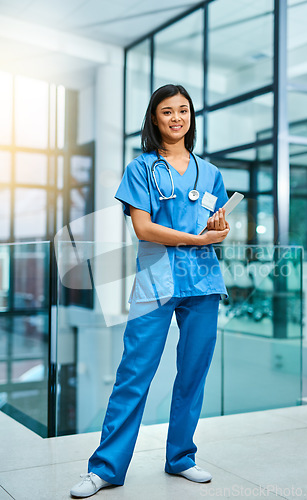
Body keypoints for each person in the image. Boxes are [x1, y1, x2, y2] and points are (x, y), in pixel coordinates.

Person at [70, 84, 230, 498]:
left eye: (183, 110)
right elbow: (143, 228)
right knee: (133, 375)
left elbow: (213, 226)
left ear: (191, 117)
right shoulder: (140, 168)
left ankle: (181, 458)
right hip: (155, 281)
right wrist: (196, 240)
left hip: (203, 282)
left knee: (193, 374)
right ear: (154, 119)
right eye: (167, 112)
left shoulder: (209, 172)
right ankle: (105, 468)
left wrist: (218, 231)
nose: (176, 118)